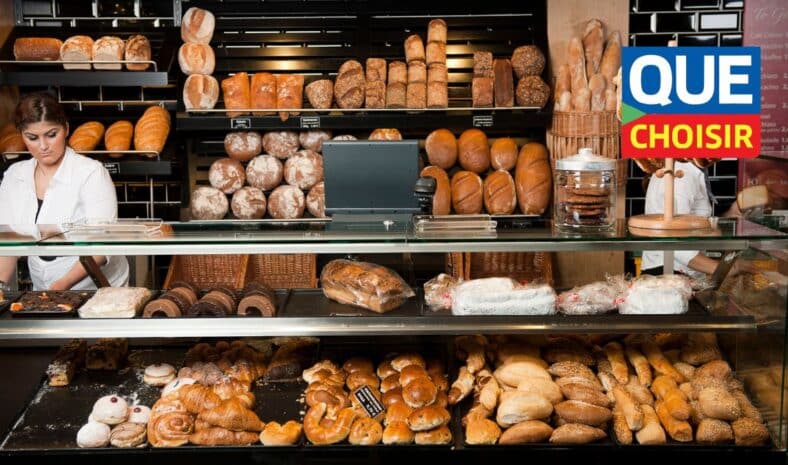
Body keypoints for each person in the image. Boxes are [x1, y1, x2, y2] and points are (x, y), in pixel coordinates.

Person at [0, 92, 128, 290]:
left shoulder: (91, 173)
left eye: (51, 135)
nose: (43, 146)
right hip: (43, 288)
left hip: (95, 290)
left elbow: (101, 249)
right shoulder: (15, 176)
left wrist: (58, 288)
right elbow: (8, 240)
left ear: (66, 129)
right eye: (32, 138)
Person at [640, 160, 722, 278]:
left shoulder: (685, 170)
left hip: (673, 272)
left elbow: (691, 224)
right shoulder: (682, 175)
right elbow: (675, 243)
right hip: (669, 273)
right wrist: (725, 270)